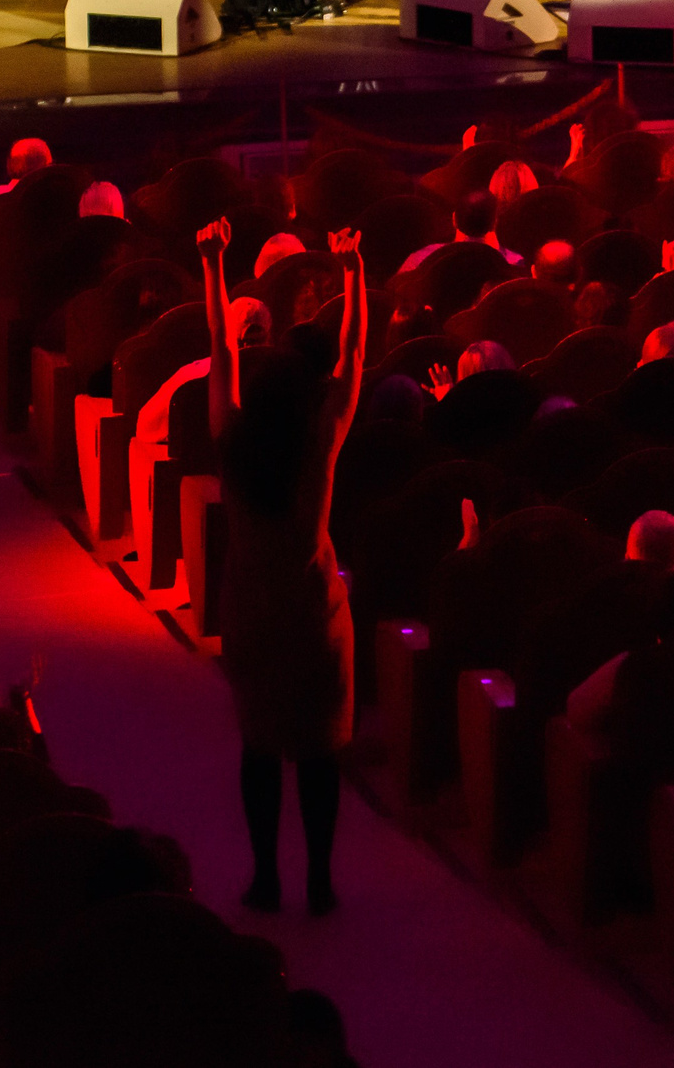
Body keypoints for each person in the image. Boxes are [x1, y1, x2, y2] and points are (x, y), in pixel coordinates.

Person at [198, 216, 363, 916]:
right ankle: (320, 879)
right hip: (314, 616)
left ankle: (266, 875)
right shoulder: (317, 449)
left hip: (251, 614)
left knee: (259, 746)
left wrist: (212, 265)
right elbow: (353, 355)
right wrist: (355, 273)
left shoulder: (233, 442)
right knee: (320, 754)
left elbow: (220, 349)